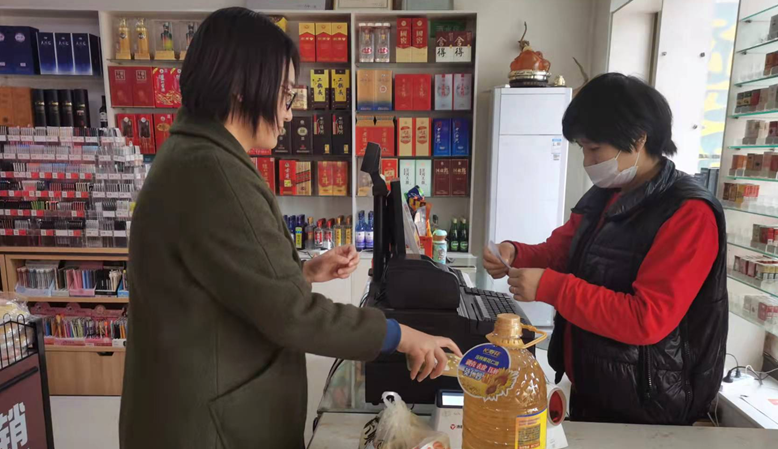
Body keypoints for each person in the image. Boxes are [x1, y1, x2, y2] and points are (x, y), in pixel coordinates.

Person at [119, 8, 460, 449]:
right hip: (208, 427)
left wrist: (301, 273)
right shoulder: (213, 172)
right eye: (284, 95)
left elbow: (223, 284)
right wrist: (400, 335)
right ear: (242, 86)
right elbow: (292, 316)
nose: (288, 112)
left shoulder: (194, 156)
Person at [483, 73, 727, 425]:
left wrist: (552, 287)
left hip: (648, 405)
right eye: (583, 148)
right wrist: (515, 253)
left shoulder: (688, 214)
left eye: (595, 149)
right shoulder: (607, 194)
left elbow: (646, 319)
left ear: (638, 139)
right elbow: (563, 250)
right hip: (597, 386)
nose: (587, 160)